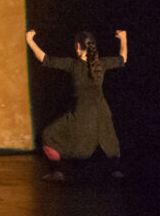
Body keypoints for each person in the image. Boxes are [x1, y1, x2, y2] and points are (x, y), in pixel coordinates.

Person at [26, 29, 128, 181]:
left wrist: (30, 41)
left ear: (78, 47)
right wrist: (123, 39)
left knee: (48, 136)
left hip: (81, 114)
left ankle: (57, 172)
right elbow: (123, 59)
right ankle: (115, 170)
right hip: (102, 113)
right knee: (109, 139)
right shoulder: (101, 64)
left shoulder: (73, 65)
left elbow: (44, 59)